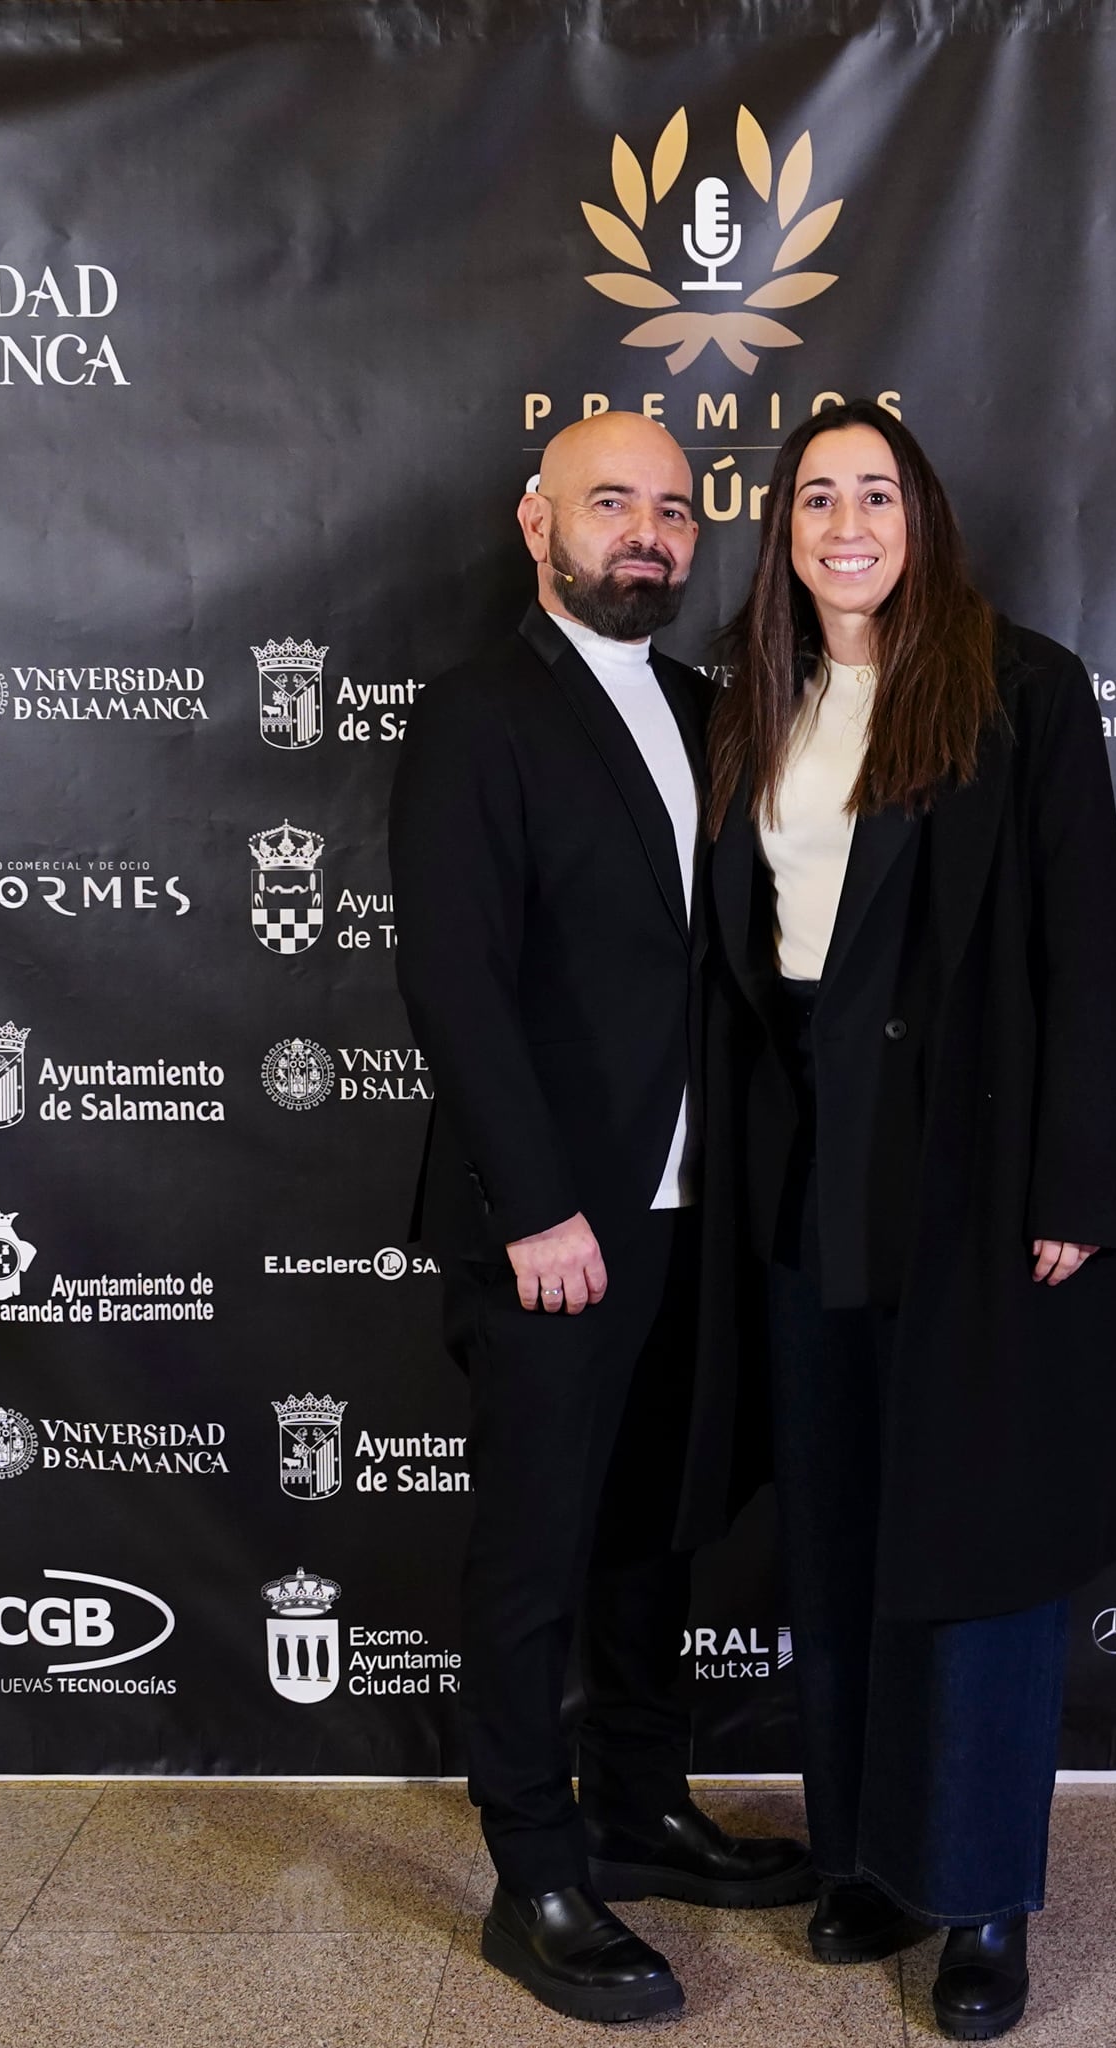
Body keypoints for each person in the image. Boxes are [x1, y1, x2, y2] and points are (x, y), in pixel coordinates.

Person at [679, 403, 1116, 2042]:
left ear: (922, 517)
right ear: (785, 534)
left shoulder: (1024, 691)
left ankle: (984, 1895)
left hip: (977, 1176)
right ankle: (868, 1854)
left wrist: (1075, 1184)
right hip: (809, 1169)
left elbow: (1084, 952)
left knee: (979, 1536)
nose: (847, 524)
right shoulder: (758, 698)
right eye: (818, 499)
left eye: (876, 493)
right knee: (843, 1524)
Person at [390, 411, 815, 2026]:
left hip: (700, 1213)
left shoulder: (713, 709)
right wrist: (538, 1205)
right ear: (537, 523)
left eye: (672, 509)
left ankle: (640, 1806)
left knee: (658, 1528)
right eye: (610, 503)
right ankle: (537, 1874)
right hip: (561, 1222)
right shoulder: (477, 714)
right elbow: (457, 979)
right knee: (536, 1554)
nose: (647, 531)